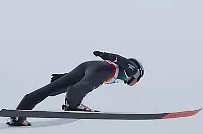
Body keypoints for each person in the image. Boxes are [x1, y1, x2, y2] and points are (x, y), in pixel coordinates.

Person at [8, 51, 144, 126]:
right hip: (102, 68)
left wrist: (63, 78)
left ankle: (18, 115)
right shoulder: (132, 69)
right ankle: (73, 104)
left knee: (50, 89)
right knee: (84, 86)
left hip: (88, 66)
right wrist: (106, 55)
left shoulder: (121, 74)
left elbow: (86, 76)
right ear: (138, 75)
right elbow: (120, 59)